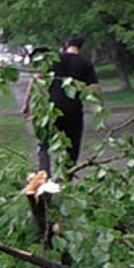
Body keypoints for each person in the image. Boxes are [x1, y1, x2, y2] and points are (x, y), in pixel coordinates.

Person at [45, 34, 100, 171]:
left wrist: (27, 103)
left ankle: (45, 172)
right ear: (81, 47)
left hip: (53, 106)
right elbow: (94, 88)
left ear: (67, 44)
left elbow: (38, 78)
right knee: (73, 143)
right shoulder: (85, 63)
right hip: (73, 108)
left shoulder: (54, 60)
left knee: (47, 141)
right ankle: (67, 174)